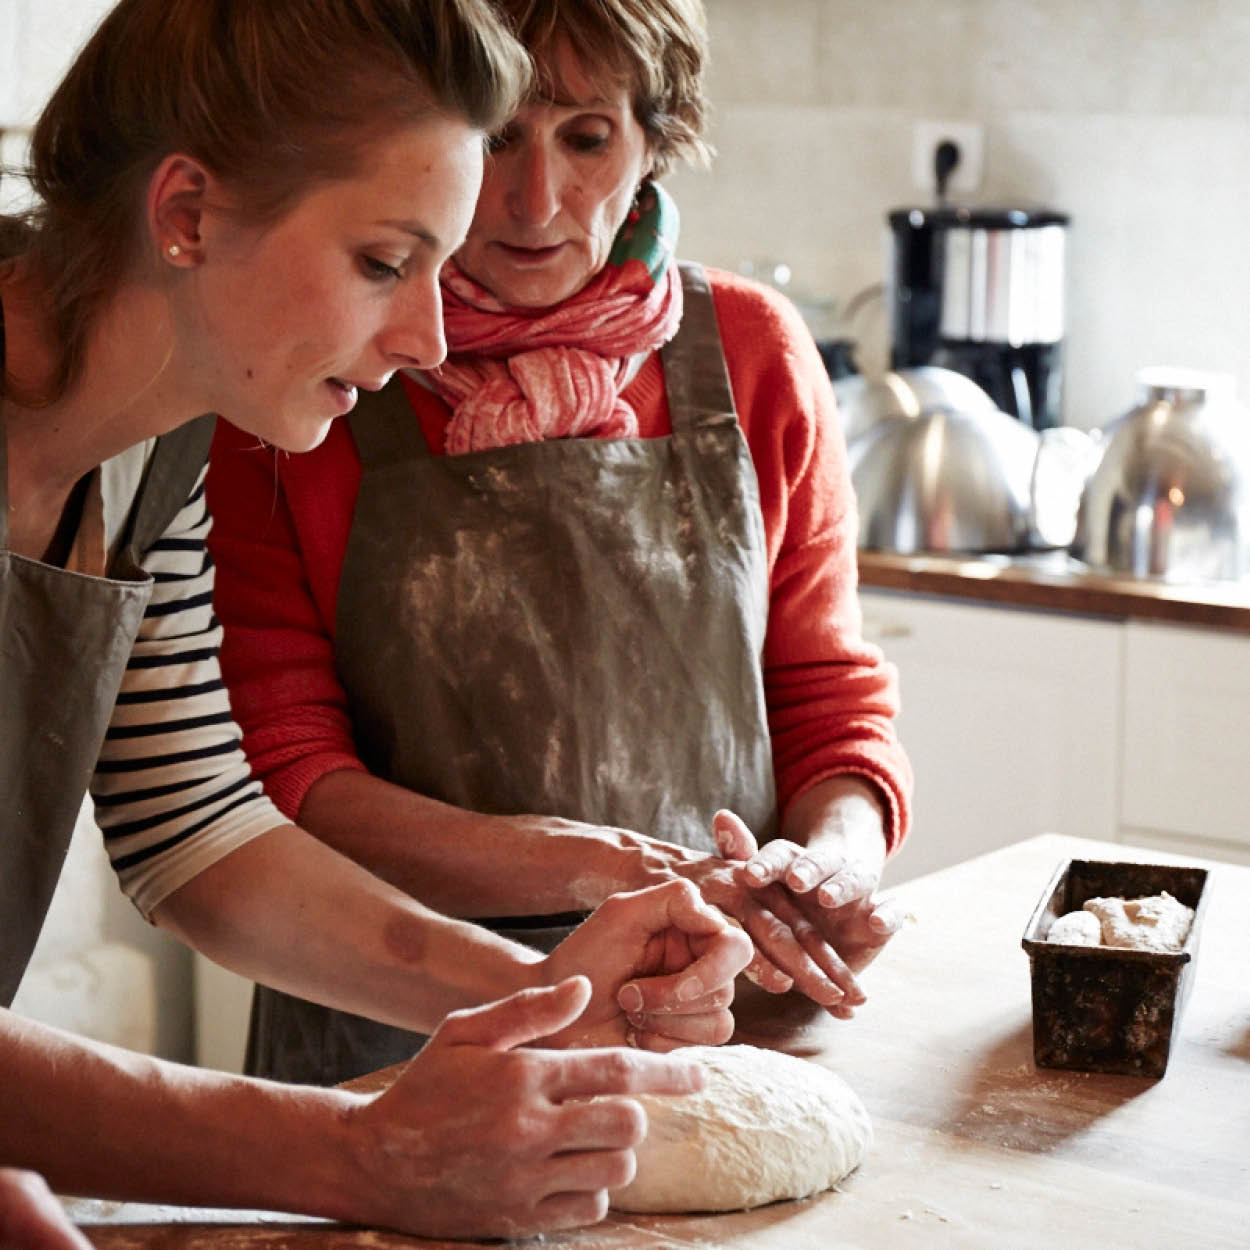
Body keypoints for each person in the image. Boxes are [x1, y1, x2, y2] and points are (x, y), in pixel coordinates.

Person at [0, 0, 755, 1242]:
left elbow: (199, 837)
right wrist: (357, 1151)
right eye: (382, 262)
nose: (427, 337)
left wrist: (541, 989)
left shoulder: (160, 450)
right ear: (186, 213)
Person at [207, 0, 916, 1090]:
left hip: (719, 1012)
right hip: (391, 1031)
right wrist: (594, 869)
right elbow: (285, 775)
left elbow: (825, 699)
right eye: (494, 137)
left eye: (585, 136)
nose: (533, 202)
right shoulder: (308, 378)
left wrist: (828, 870)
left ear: (651, 140)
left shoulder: (751, 354)